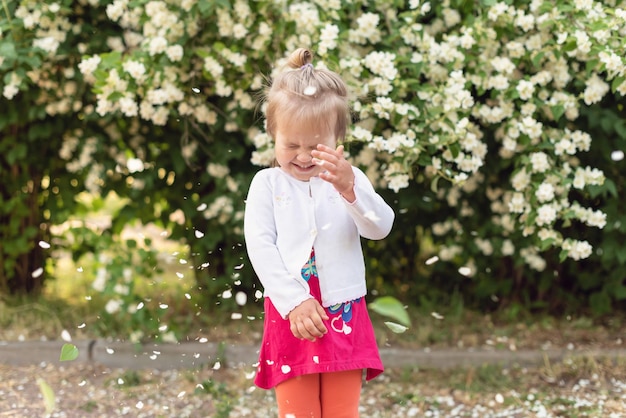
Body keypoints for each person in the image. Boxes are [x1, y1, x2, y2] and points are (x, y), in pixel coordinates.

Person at [244, 47, 395, 418]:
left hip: (343, 311)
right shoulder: (266, 184)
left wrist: (349, 191)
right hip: (292, 313)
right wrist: (294, 300)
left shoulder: (348, 179)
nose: (304, 155)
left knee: (342, 412)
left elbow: (380, 227)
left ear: (338, 137)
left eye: (316, 146)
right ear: (272, 134)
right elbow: (261, 247)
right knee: (299, 412)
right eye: (291, 145)